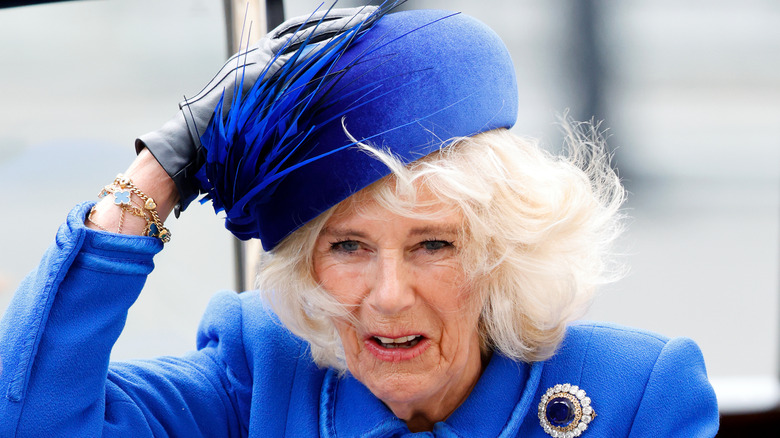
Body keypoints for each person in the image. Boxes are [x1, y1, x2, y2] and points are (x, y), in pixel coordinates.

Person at [0, 3, 718, 437]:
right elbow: (28, 420)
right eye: (347, 246)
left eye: (434, 243)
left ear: (503, 253)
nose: (388, 295)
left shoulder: (637, 394)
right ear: (306, 268)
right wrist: (156, 175)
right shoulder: (255, 380)